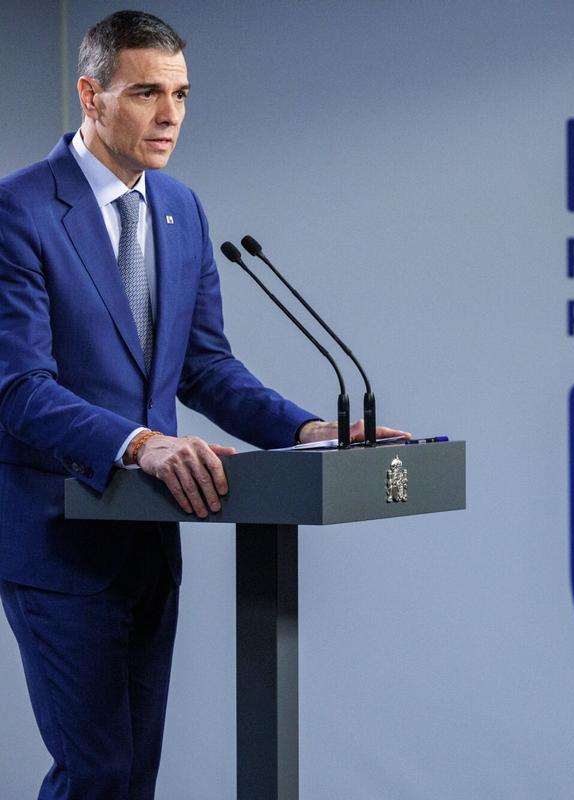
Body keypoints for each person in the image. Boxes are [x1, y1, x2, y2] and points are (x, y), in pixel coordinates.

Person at [0, 11, 405, 798]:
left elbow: (206, 367)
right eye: (147, 91)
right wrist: (141, 442)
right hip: (55, 537)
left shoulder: (180, 208)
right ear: (91, 95)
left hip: (148, 537)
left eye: (181, 93)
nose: (170, 114)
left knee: (133, 776)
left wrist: (307, 430)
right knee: (97, 772)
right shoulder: (18, 211)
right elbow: (18, 388)